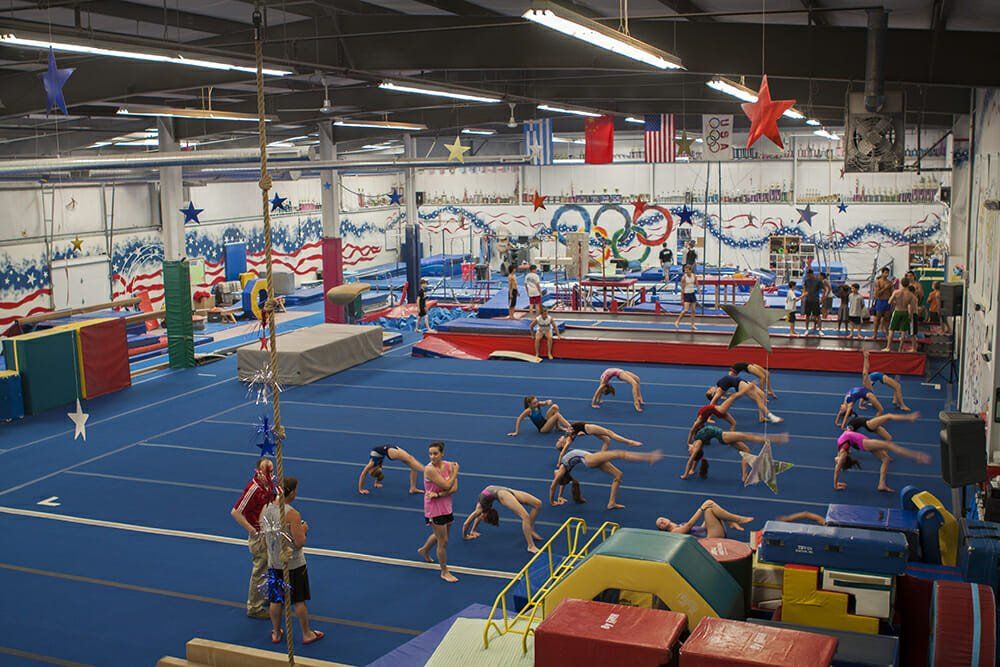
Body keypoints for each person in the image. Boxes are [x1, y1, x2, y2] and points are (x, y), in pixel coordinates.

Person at [261, 476, 323, 645]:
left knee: (276, 599)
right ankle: (306, 633)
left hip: (274, 562)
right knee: (298, 600)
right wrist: (303, 528)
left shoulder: (266, 507)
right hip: (293, 564)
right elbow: (299, 542)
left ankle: (276, 632)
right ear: (292, 493)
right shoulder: (292, 514)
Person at [550, 442, 663, 510]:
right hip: (589, 459)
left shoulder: (563, 471)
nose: (554, 474)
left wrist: (559, 496)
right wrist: (552, 501)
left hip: (590, 459)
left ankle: (611, 503)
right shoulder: (561, 471)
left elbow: (561, 483)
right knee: (619, 453)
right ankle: (649, 457)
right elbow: (553, 486)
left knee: (618, 474)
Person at [230, 458, 277, 619]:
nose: (270, 474)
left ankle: (265, 595)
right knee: (260, 569)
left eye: (271, 470)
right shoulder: (254, 489)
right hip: (259, 536)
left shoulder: (269, 484)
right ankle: (254, 607)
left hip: (269, 531)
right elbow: (235, 512)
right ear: (258, 471)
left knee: (269, 566)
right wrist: (252, 530)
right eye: (267, 471)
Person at [834, 429, 930, 493]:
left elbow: (837, 461)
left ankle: (881, 484)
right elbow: (837, 469)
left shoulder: (840, 454)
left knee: (886, 459)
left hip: (863, 442)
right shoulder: (843, 454)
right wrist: (836, 485)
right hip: (864, 443)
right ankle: (917, 456)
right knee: (889, 445)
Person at [417, 442, 460, 582]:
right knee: (444, 541)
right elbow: (448, 485)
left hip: (446, 506)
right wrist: (455, 473)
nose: (432, 456)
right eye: (430, 454)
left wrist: (439, 494)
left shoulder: (448, 465)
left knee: (439, 535)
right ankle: (444, 571)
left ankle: (424, 550)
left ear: (442, 454)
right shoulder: (429, 469)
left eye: (435, 453)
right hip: (434, 509)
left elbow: (455, 488)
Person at [681, 426, 788, 481]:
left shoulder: (696, 442)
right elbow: (692, 460)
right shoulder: (698, 444)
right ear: (695, 451)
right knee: (748, 436)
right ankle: (774, 439)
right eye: (690, 452)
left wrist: (692, 470)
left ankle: (744, 475)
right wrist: (685, 474)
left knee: (746, 450)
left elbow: (694, 460)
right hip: (723, 436)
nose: (688, 450)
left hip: (723, 437)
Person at [462, 485, 543, 553]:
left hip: (503, 494)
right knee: (528, 514)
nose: (481, 519)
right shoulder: (483, 509)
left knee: (536, 505)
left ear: (485, 516)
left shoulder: (480, 510)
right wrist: (473, 530)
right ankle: (530, 535)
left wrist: (465, 536)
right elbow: (478, 517)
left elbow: (466, 523)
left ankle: (530, 546)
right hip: (502, 489)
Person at [706, 371, 782, 423]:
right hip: (740, 385)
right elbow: (712, 404)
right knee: (758, 399)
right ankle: (771, 416)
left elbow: (723, 394)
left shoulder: (719, 386)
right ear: (712, 394)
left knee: (763, 395)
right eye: (709, 391)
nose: (710, 388)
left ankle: (761, 417)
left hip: (743, 381)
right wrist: (708, 418)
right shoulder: (718, 392)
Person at [655, 499, 753, 537]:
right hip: (710, 539)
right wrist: (701, 509)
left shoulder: (680, 524)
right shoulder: (674, 533)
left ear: (667, 518)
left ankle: (731, 521)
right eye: (660, 524)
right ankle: (737, 519)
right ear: (662, 529)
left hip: (709, 532)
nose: (662, 521)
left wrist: (707, 517)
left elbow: (700, 529)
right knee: (708, 504)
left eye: (662, 519)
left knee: (710, 510)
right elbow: (689, 525)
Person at [357, 444, 424, 495]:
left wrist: (377, 483)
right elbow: (362, 475)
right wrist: (361, 489)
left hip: (390, 449)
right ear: (373, 469)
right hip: (389, 451)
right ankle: (427, 471)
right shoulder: (372, 464)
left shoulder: (376, 464)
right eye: (370, 471)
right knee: (411, 459)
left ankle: (413, 488)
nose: (368, 471)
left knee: (412, 464)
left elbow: (377, 473)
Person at [883, 276, 918, 352]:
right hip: (905, 312)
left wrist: (895, 302)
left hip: (897, 310)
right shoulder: (911, 295)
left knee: (891, 329)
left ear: (901, 284)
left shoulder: (896, 292)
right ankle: (900, 348)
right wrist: (910, 316)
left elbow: (889, 302)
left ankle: (888, 347)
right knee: (903, 331)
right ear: (908, 284)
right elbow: (912, 307)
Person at [556, 421, 641, 451]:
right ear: (563, 444)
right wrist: (559, 463)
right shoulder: (568, 439)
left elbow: (575, 431)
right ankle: (629, 442)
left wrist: (580, 433)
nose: (558, 439)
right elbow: (563, 452)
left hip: (587, 430)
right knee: (609, 433)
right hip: (589, 428)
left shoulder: (567, 435)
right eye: (559, 442)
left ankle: (601, 456)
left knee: (607, 440)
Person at [846, 410, 920, 441]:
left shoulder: (853, 417)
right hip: (868, 424)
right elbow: (847, 434)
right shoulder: (849, 425)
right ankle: (909, 417)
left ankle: (885, 455)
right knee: (888, 416)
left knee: (889, 438)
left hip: (870, 424)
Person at [801, 268, 827, 336]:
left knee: (818, 316)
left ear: (812, 274)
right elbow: (804, 289)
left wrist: (823, 298)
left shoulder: (818, 281)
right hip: (808, 300)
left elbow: (824, 289)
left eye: (809, 274)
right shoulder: (806, 281)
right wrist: (803, 296)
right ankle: (806, 329)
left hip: (815, 300)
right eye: (807, 274)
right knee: (807, 315)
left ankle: (820, 330)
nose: (808, 276)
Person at [674, 264, 698, 330]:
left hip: (692, 294)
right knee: (686, 310)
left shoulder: (694, 276)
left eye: (687, 271)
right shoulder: (684, 278)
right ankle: (677, 321)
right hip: (686, 294)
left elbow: (697, 284)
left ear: (690, 270)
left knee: (693, 310)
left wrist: (699, 291)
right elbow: (682, 288)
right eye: (685, 271)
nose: (686, 272)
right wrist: (682, 298)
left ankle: (692, 325)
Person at [872, 267, 893, 339]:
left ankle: (887, 333)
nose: (887, 274)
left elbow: (891, 293)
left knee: (887, 319)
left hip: (887, 302)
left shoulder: (890, 283)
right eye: (885, 273)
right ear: (882, 273)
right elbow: (876, 294)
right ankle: (875, 334)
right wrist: (885, 288)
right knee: (877, 319)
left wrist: (892, 302)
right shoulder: (878, 282)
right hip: (880, 301)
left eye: (888, 273)